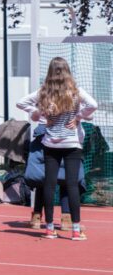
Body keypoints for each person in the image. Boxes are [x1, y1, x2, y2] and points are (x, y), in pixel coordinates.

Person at [17, 57, 97, 240]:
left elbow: (21, 103)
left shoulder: (44, 92)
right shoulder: (76, 91)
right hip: (72, 144)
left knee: (49, 184)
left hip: (51, 143)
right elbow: (93, 105)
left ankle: (49, 228)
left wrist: (39, 114)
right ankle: (76, 230)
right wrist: (78, 116)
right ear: (67, 71)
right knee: (72, 185)